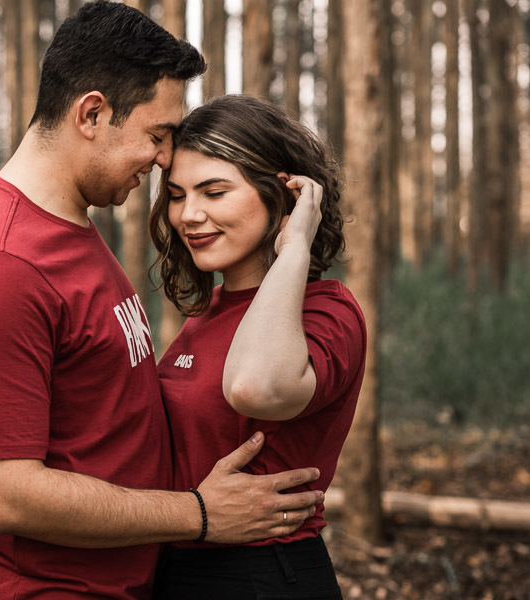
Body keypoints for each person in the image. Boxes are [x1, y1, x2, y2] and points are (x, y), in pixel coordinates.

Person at [0, 4, 325, 599]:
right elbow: (6, 496)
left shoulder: (73, 229)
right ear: (92, 113)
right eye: (157, 134)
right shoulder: (4, 264)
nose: (166, 157)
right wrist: (196, 513)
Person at [149, 94, 367, 599]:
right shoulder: (207, 314)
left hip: (261, 575)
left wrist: (294, 245)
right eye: (178, 195)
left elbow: (255, 388)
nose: (189, 215)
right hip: (178, 560)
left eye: (215, 191)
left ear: (281, 194)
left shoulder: (329, 312)